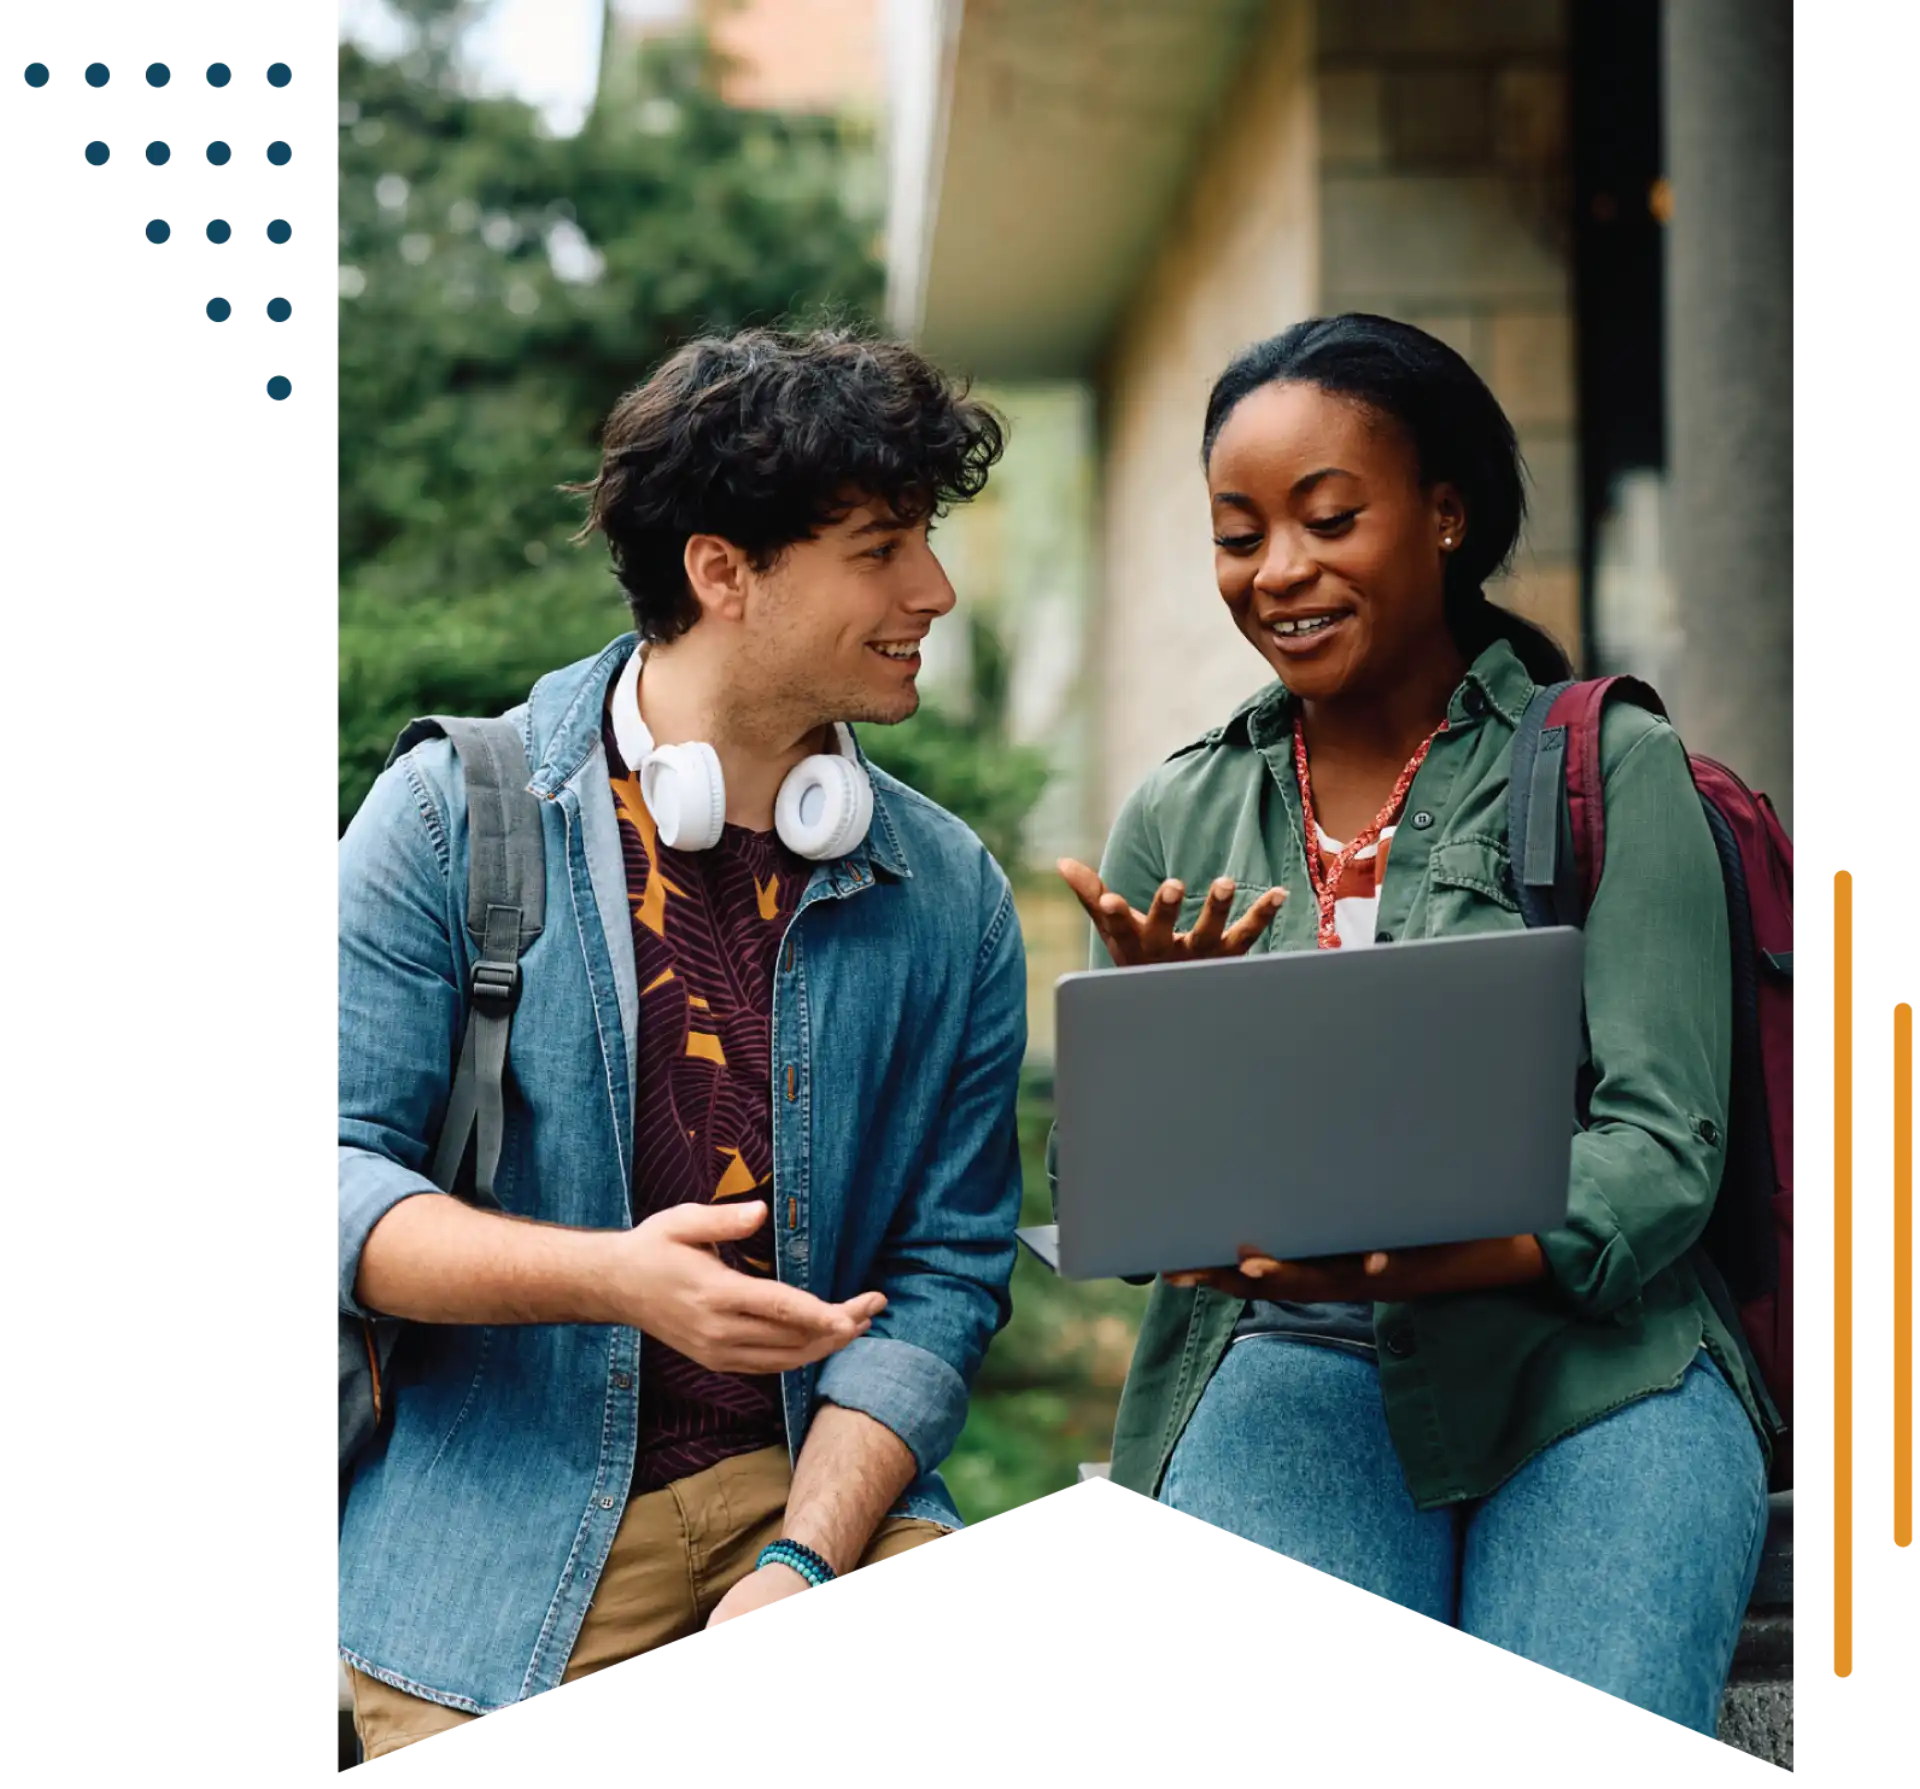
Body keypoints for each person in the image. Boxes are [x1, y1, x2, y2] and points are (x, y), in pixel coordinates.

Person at [1055, 314, 1771, 1741]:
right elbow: (1121, 1213)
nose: (1280, 573)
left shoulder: (1611, 769)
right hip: (1290, 1358)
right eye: (1238, 534)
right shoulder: (1179, 817)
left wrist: (1471, 1247)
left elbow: (1662, 1144)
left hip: (1596, 1362)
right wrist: (1152, 1062)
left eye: (1329, 519)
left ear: (1446, 514)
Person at [336, 326, 1025, 1762]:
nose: (933, 591)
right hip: (497, 1553)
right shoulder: (444, 822)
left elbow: (950, 1271)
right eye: (883, 547)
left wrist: (800, 1559)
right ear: (724, 572)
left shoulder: (951, 895)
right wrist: (619, 1283)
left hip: (819, 1491)